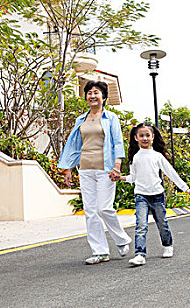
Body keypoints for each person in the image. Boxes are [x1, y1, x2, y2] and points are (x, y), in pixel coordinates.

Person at [58, 81, 132, 265]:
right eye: (89, 93)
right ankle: (99, 251)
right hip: (85, 168)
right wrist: (68, 168)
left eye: (96, 92)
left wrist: (117, 165)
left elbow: (117, 143)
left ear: (104, 97)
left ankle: (122, 239)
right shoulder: (80, 120)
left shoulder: (110, 118)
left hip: (105, 169)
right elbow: (74, 145)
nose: (92, 96)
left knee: (103, 208)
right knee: (90, 211)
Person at [117, 123, 189, 267]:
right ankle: (140, 254)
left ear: (153, 137)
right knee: (141, 225)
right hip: (141, 196)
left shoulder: (157, 156)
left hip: (157, 195)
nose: (145, 138)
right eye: (141, 135)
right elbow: (133, 177)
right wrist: (121, 177)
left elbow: (170, 172)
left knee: (162, 223)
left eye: (147, 135)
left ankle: (168, 245)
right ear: (136, 138)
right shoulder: (135, 157)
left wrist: (185, 188)